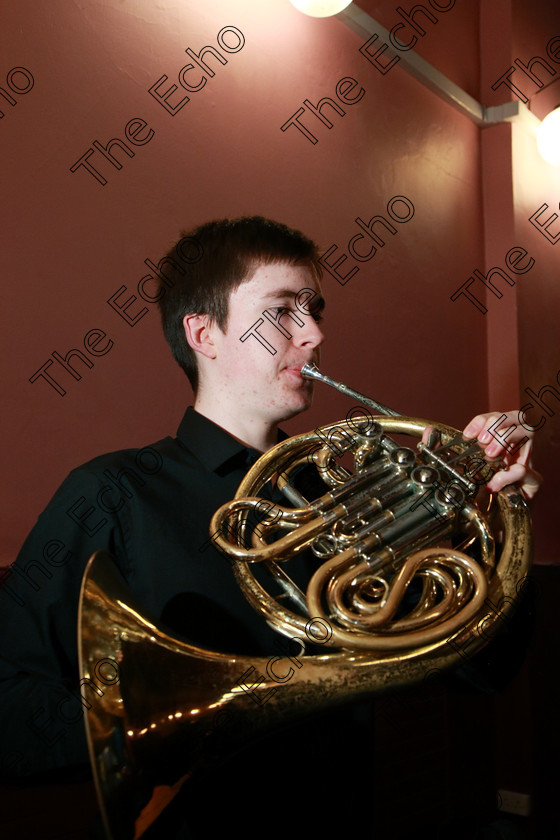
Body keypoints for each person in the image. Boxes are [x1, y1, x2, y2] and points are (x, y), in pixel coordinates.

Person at [0, 217, 540, 837]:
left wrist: (503, 515)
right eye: (282, 311)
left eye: (314, 311)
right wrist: (165, 719)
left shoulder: (344, 491)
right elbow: (8, 708)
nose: (312, 335)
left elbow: (482, 673)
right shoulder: (111, 493)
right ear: (204, 333)